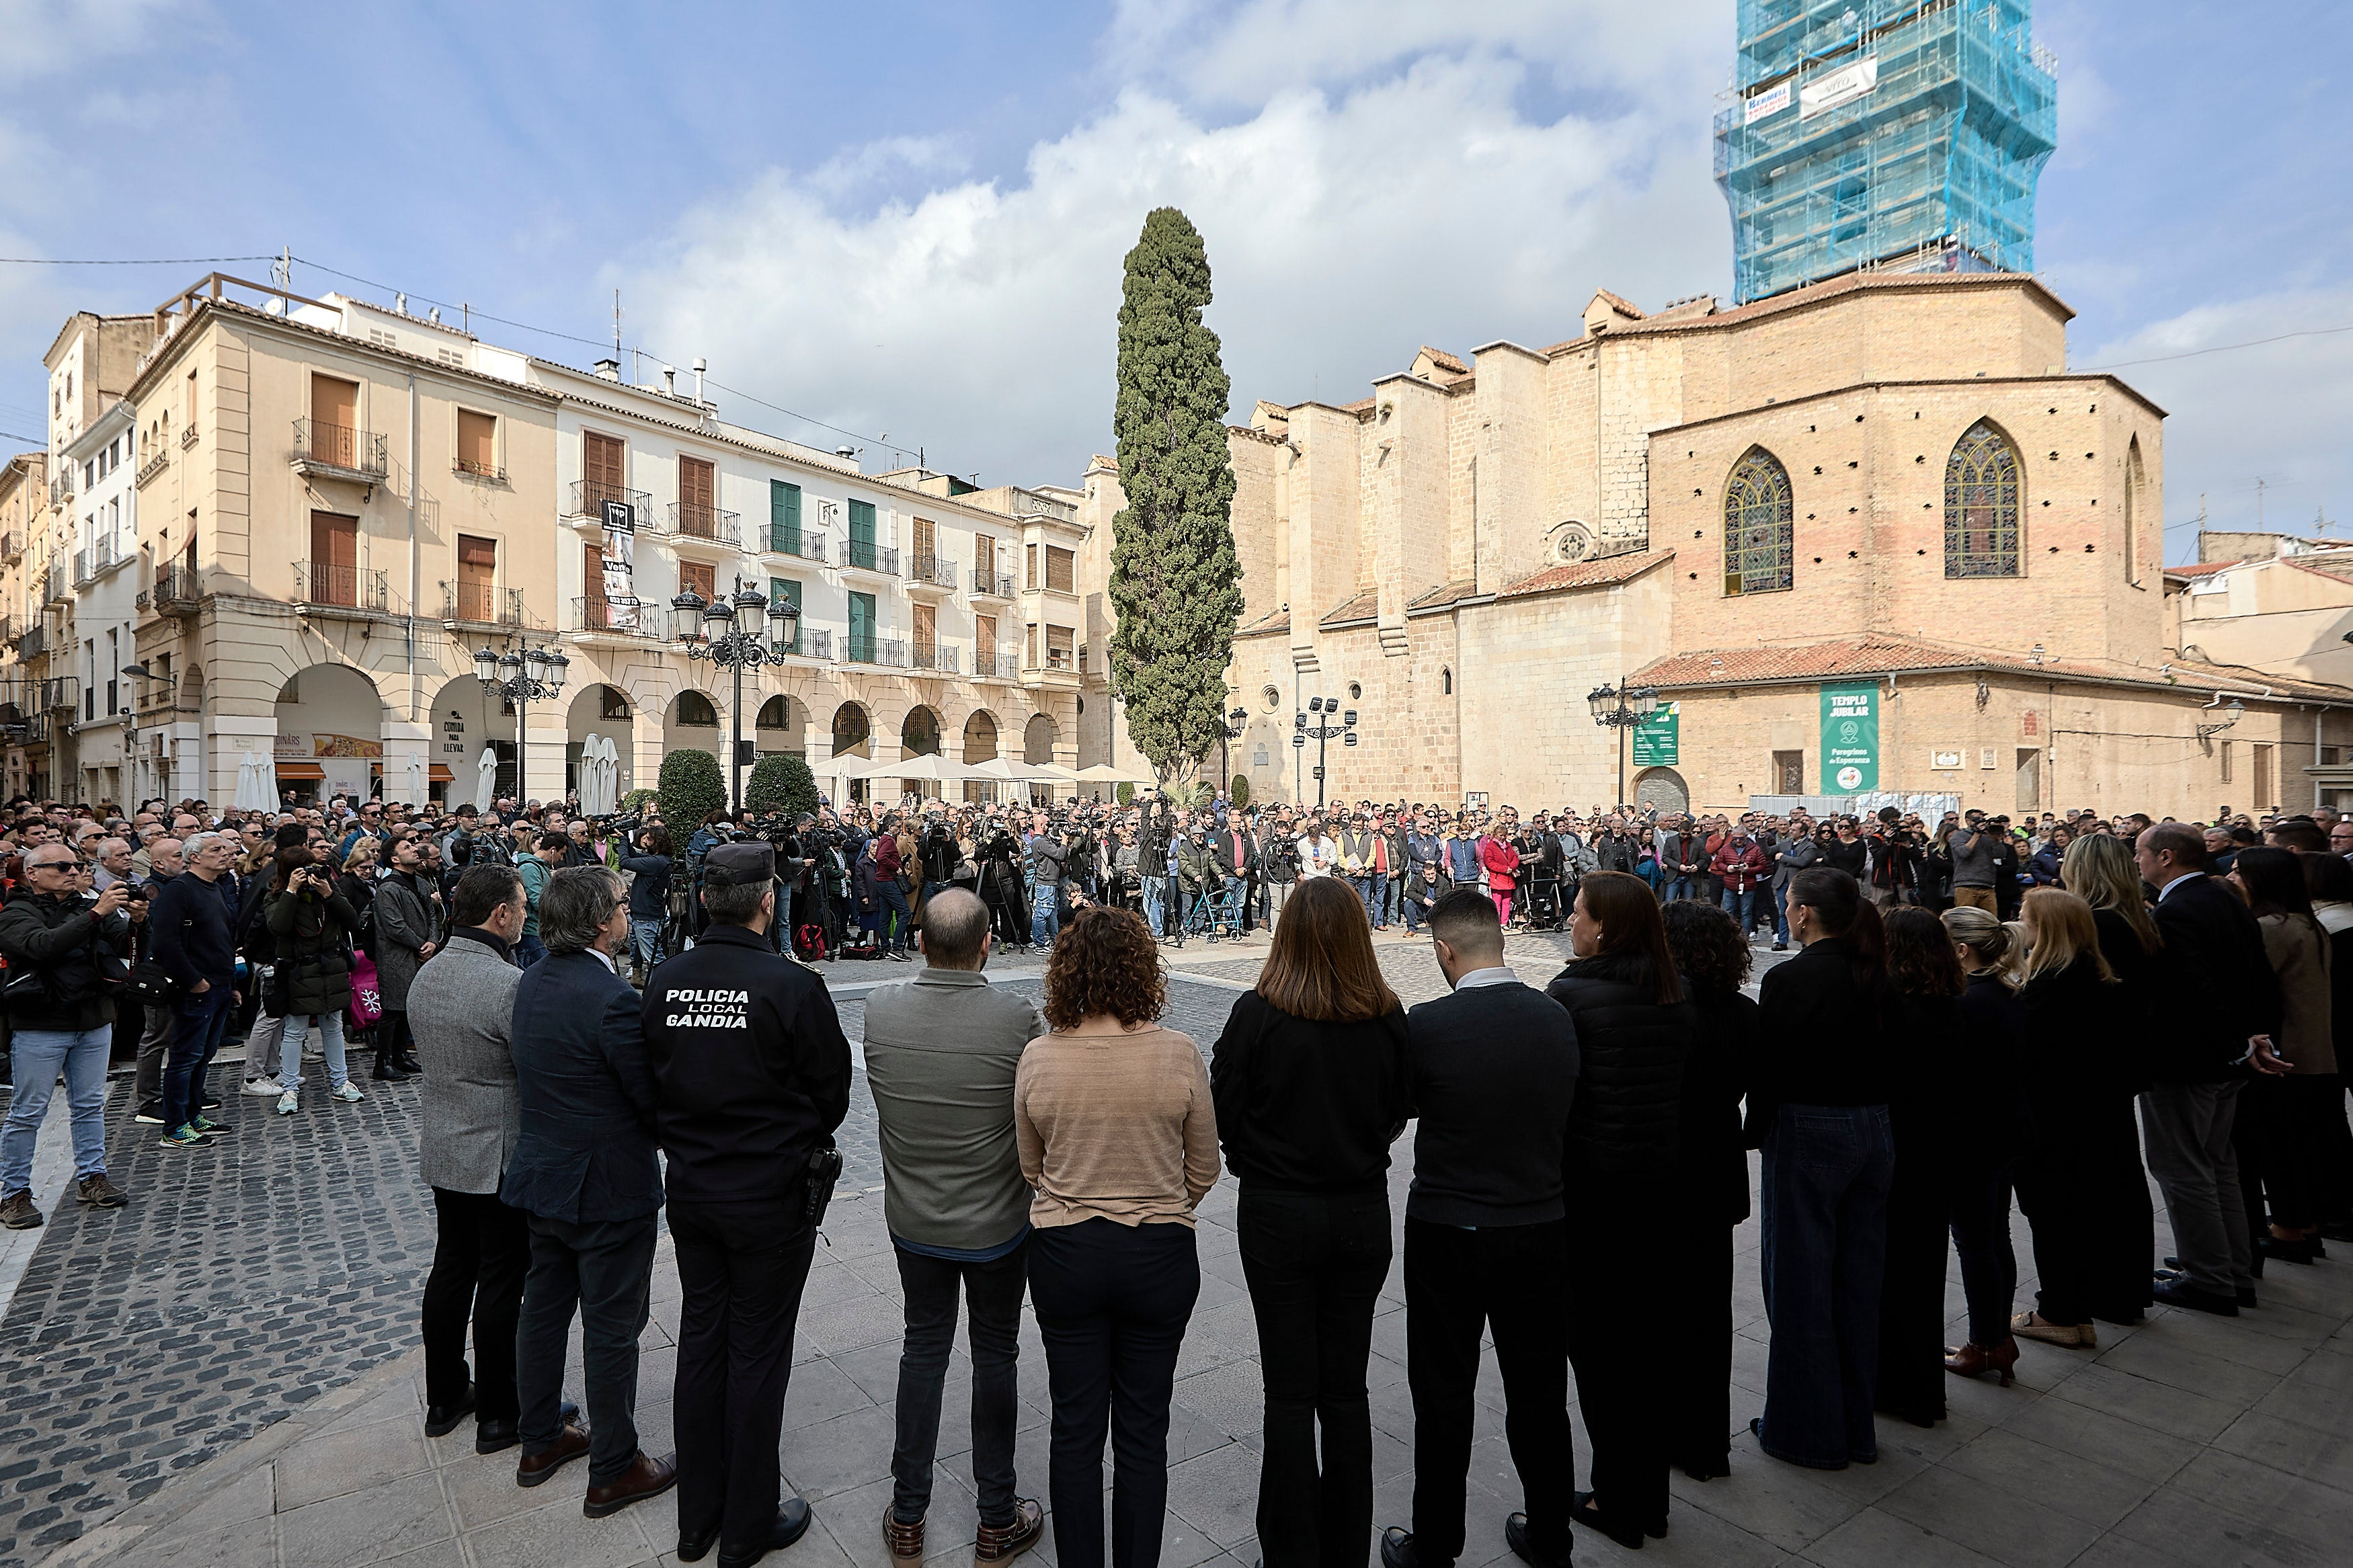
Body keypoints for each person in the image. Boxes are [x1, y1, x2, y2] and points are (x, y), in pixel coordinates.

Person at [641, 841, 852, 1565]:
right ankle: (746, 1522)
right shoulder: (789, 986)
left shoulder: (665, 979)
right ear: (768, 900)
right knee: (757, 1352)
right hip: (768, 1193)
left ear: (705, 899)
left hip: (696, 1186)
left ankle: (697, 1517)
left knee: (703, 1342)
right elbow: (831, 1094)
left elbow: (649, 1083)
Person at [1209, 878, 1412, 1568]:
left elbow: (1224, 1108)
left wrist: (1255, 1155)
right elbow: (1397, 1107)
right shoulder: (1385, 1015)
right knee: (1344, 1389)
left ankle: (1292, 1548)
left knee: (1290, 1390)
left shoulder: (1257, 1014)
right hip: (1357, 1209)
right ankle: (1343, 1545)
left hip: (1277, 1212)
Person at [1014, 907, 1219, 1568]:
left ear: (1064, 972)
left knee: (1074, 1426)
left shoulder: (1040, 1056)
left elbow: (1030, 1165)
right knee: (1142, 1429)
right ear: (1142, 970)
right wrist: (1161, 1201)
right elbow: (1204, 1165)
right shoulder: (1178, 1051)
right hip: (1156, 1250)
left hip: (1066, 1250)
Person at [1383, 888, 1579, 1568]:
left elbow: (1395, 1110)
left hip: (1447, 1223)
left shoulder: (1428, 1024)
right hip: (1538, 1220)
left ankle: (1435, 1542)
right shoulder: (1554, 1016)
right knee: (1538, 1390)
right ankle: (1551, 1534)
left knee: (1441, 1391)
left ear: (1444, 950)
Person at [863, 888, 1049, 1567]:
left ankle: (907, 1513)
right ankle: (995, 1516)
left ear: (918, 943)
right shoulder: (1014, 1018)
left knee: (923, 1351)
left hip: (914, 1216)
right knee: (995, 1353)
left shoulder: (880, 1008)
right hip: (998, 1220)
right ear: (985, 944)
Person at [499, 867, 676, 1516]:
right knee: (610, 1324)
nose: (630, 915)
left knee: (543, 1309)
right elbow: (647, 1094)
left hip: (545, 1174)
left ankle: (539, 1437)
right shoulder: (612, 998)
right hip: (605, 1185)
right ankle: (615, 1464)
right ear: (602, 920)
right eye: (624, 906)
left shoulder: (534, 978)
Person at [1544, 870, 1697, 1546]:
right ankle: (1647, 1497)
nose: (1568, 922)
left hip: (1592, 1197)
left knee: (1599, 1354)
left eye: (1576, 912)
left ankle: (1617, 1498)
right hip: (1654, 1191)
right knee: (1642, 1349)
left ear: (1602, 926)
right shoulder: (1672, 992)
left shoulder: (1572, 996)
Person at [1751, 868, 1894, 1471]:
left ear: (1806, 913)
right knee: (1857, 1282)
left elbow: (1771, 1067)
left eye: (1789, 904)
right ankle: (1854, 1426)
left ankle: (1805, 1430)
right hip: (1873, 1128)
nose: (1786, 911)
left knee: (1800, 1283)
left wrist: (1757, 1131)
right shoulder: (1876, 974)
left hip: (1811, 1128)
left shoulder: (1791, 978)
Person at [411, 865, 546, 1454]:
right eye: (521, 906)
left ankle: (444, 1396)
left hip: (446, 1140)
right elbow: (529, 1066)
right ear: (501, 914)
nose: (525, 915)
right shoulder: (504, 982)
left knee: (452, 1267)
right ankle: (498, 1410)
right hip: (495, 1149)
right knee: (501, 1276)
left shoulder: (430, 971)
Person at [2136, 823, 2285, 1314]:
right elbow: (2257, 976)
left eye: (2140, 854)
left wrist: (2239, 1044)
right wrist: (2254, 1037)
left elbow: (2195, 990)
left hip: (2190, 1061)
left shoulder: (2179, 909)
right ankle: (2231, 1270)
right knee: (2219, 1164)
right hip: (2227, 1056)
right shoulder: (2224, 898)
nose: (2137, 863)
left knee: (2184, 1167)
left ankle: (2209, 1279)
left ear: (2165, 856)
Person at [2006, 889, 2133, 1350]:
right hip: (2091, 1117)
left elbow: (2025, 1056)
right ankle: (2075, 1311)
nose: (2020, 926)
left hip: (2050, 1121)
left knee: (2051, 1217)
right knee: (2074, 1214)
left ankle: (2058, 1312)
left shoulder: (2047, 986)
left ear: (2048, 929)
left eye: (2025, 919)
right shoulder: (2098, 977)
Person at [1655, 899, 1756, 1480]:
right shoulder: (1745, 1013)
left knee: (1662, 1308)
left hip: (1670, 1163)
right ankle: (1706, 1443)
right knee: (1709, 1310)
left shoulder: (1667, 1007)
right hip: (1718, 1162)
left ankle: (1669, 1428)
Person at [0, 845, 134, 1227]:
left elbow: (124, 944)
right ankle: (14, 1194)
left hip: (93, 1017)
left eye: (78, 865)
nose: (72, 872)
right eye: (61, 866)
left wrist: (140, 920)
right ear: (33, 874)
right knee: (27, 1112)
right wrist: (96, 913)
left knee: (90, 1104)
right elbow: (43, 946)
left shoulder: (87, 905)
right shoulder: (17, 911)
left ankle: (93, 1176)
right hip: (40, 1023)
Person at [1870, 907, 1968, 1426]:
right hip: (1938, 1150)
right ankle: (1922, 1387)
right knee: (1923, 1270)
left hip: (1902, 1150)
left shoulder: (1895, 1006)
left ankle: (1898, 1386)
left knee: (1894, 1274)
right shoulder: (1952, 1002)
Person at [2060, 833, 2161, 1323]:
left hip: (2089, 1069)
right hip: (2117, 1064)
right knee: (2119, 1172)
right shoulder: (2134, 918)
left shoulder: (2097, 925)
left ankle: (2106, 1288)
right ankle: (2124, 1287)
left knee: (2095, 1180)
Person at [2229, 847, 2337, 1272]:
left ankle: (2289, 1229)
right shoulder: (2306, 923)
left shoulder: (2273, 927)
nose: (2233, 877)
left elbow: (2250, 984)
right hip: (2309, 1050)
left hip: (2282, 1053)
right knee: (2294, 1142)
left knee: (2276, 1146)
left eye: (2240, 872)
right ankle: (2302, 1226)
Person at [1937, 907, 2032, 1387]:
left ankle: (1987, 1342)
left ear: (1960, 950)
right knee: (1994, 1236)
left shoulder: (1969, 1002)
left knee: (1977, 1242)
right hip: (2004, 1132)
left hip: (1974, 1137)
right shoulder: (2009, 993)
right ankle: (1995, 1336)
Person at [151, 831, 243, 1149]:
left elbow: (221, 940)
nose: (224, 854)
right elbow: (165, 943)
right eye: (216, 849)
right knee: (185, 1057)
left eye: (225, 849)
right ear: (195, 857)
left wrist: (229, 984)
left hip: (219, 985)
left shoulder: (214, 888)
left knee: (203, 1056)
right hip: (196, 989)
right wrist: (195, 982)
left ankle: (193, 1114)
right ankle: (174, 1126)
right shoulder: (180, 890)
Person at [261, 846, 364, 1114]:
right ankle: (290, 1088)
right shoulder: (276, 895)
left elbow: (352, 920)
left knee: (333, 1026)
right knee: (295, 1031)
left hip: (331, 967)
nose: (309, 874)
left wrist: (329, 894)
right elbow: (278, 927)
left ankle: (341, 1082)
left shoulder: (326, 889)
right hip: (299, 971)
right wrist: (292, 892)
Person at [372, 835, 443, 1081]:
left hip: (421, 953)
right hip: (397, 957)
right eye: (407, 848)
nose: (414, 850)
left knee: (407, 1008)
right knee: (393, 1009)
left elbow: (432, 914)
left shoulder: (420, 883)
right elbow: (395, 926)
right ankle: (383, 1062)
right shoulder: (388, 888)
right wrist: (421, 944)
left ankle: (401, 1055)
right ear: (394, 859)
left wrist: (433, 941)